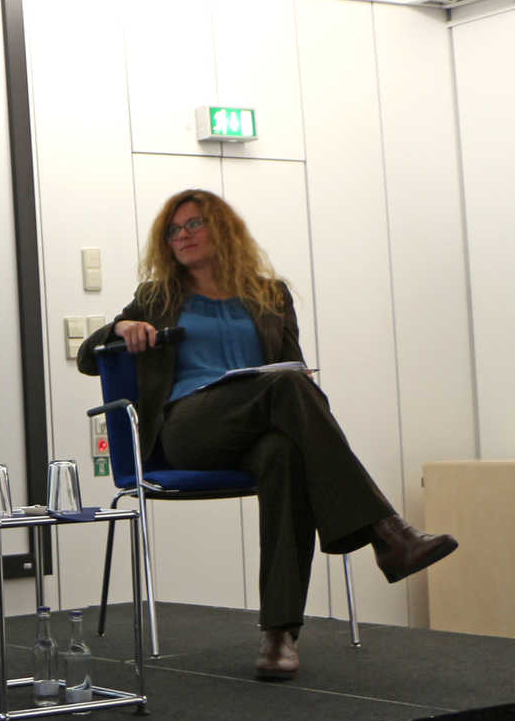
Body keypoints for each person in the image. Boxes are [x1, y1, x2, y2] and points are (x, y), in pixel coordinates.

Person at [77, 187, 456, 679]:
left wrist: (294, 387)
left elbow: (295, 371)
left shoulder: (270, 295)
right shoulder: (157, 297)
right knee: (287, 389)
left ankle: (279, 634)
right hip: (190, 427)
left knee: (284, 453)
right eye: (172, 231)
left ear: (223, 228)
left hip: (260, 426)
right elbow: (88, 358)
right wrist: (120, 328)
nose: (182, 236)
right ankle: (386, 530)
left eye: (193, 224)